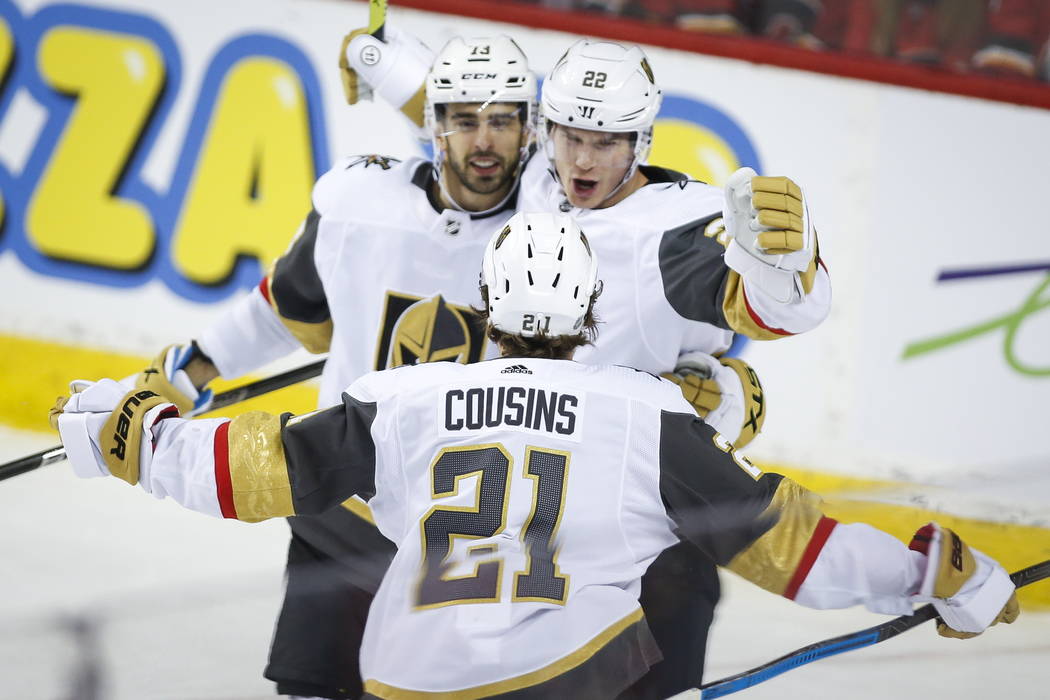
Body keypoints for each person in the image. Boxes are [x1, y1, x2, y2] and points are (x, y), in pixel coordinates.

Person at [50, 211, 1019, 700]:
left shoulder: (401, 397)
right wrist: (931, 571)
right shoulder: (647, 417)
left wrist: (130, 437)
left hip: (406, 680)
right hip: (570, 681)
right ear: (590, 313)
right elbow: (784, 541)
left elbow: (255, 471)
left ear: (489, 309)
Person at [140, 35, 539, 699]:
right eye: (464, 120)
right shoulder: (360, 206)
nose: (485, 141)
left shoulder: (559, 229)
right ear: (433, 127)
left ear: (529, 129)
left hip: (477, 541)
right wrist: (192, 370)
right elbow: (282, 308)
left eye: (503, 120)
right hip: (347, 512)